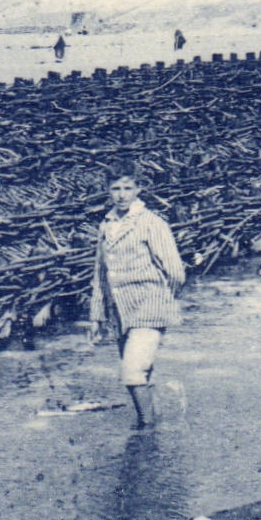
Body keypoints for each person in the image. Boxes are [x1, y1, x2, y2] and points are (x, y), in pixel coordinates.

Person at [88, 163, 186, 430]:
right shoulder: (106, 225)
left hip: (149, 306)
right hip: (120, 310)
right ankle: (154, 427)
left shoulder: (152, 223)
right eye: (115, 189)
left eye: (127, 188)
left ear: (138, 190)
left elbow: (176, 272)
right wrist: (97, 316)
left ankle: (145, 428)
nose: (121, 195)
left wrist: (161, 299)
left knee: (132, 372)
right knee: (141, 371)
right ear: (108, 191)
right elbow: (100, 274)